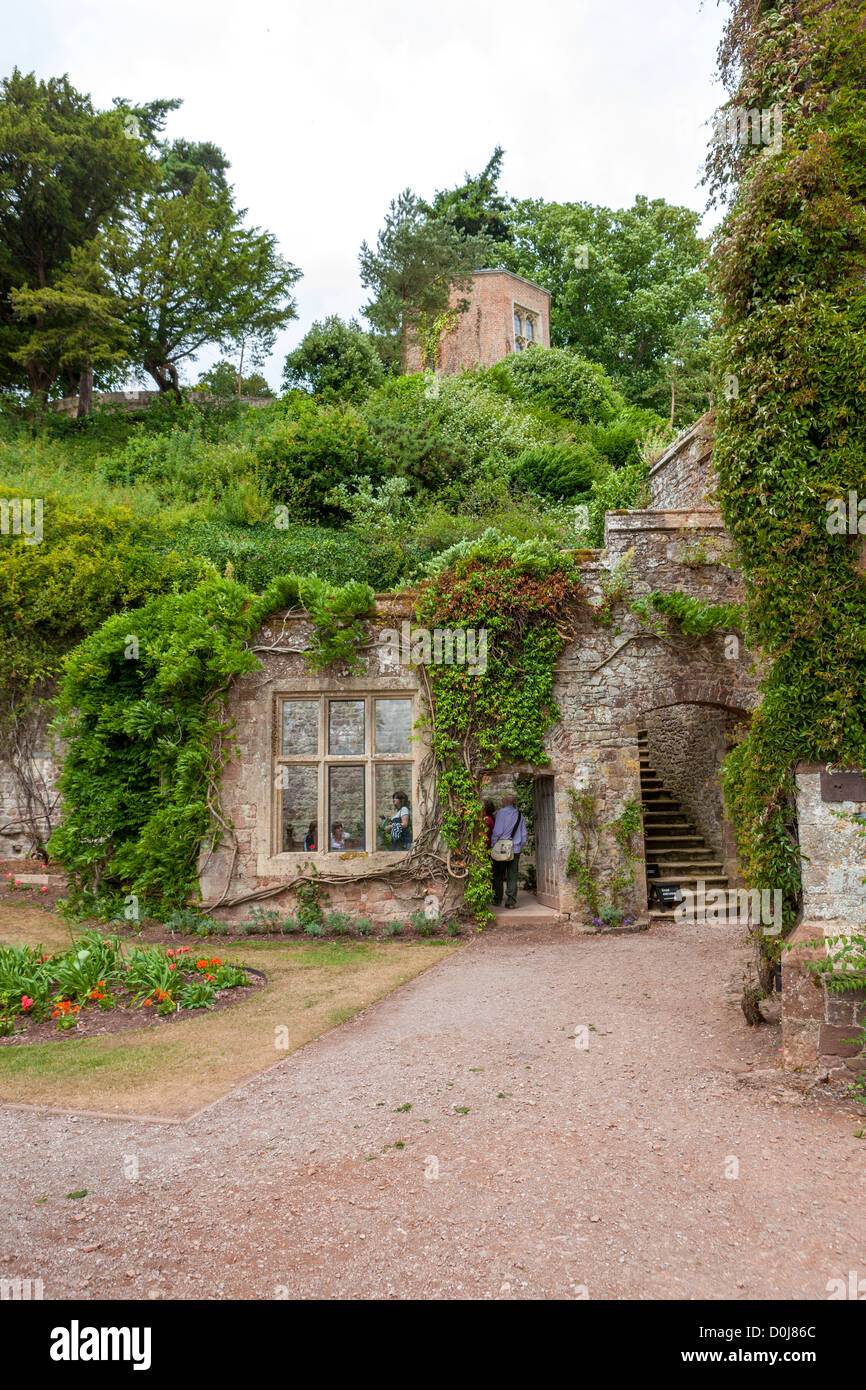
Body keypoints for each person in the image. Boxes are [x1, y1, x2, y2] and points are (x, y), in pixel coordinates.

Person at [491, 795, 527, 909]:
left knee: (498, 874)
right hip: (515, 848)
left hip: (501, 847)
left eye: (502, 801)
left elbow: (497, 831)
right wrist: (519, 847)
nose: (501, 803)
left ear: (505, 802)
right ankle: (511, 901)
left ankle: (497, 899)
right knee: (513, 875)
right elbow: (524, 835)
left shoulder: (501, 813)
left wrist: (493, 845)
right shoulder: (520, 815)